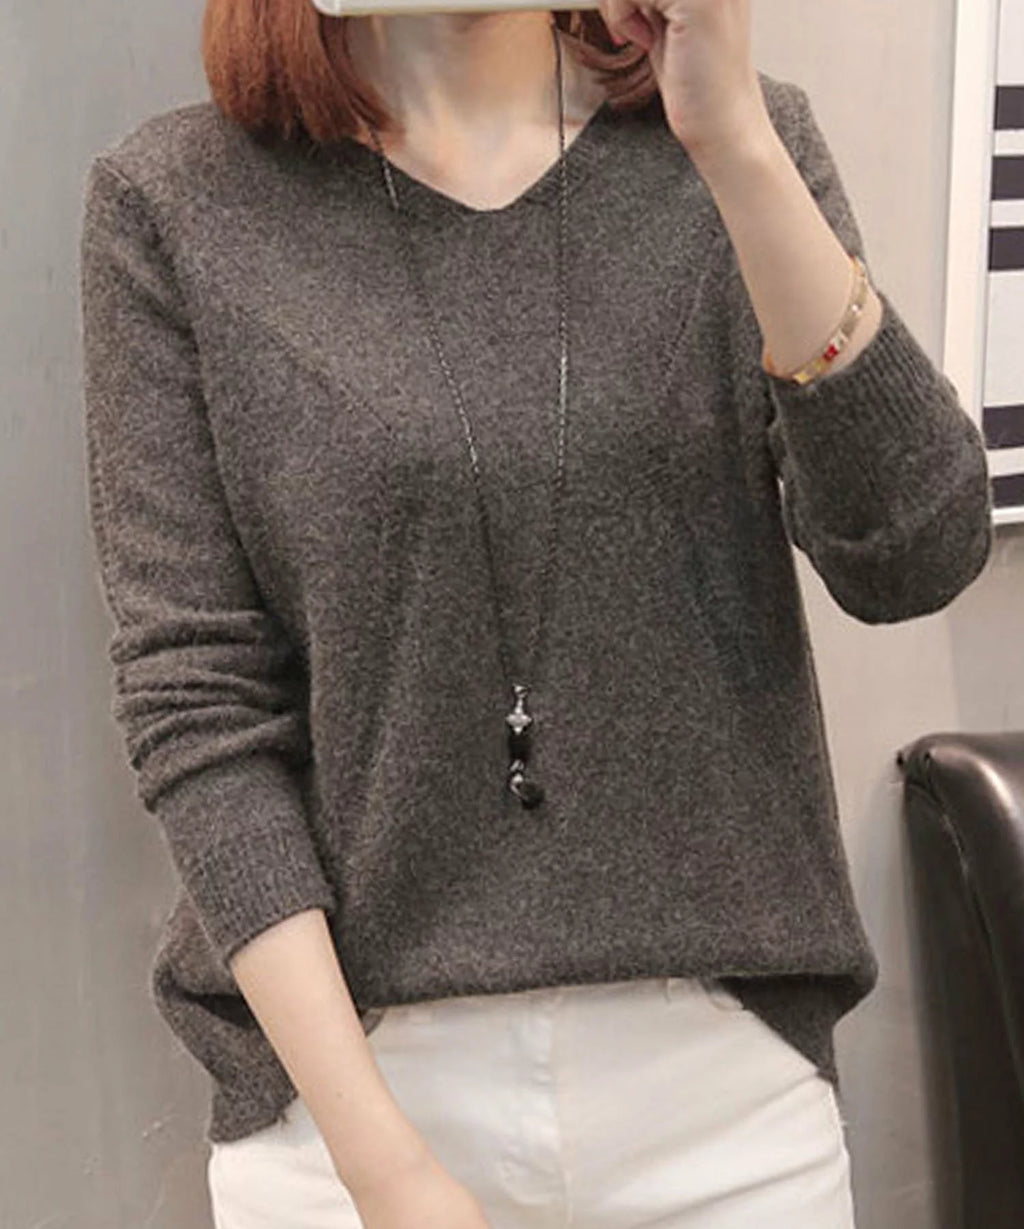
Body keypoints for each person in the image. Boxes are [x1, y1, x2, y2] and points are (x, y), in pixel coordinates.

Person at [77, 0, 993, 1226]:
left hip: (720, 1101)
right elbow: (199, 708)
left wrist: (733, 142)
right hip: (351, 1105)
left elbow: (916, 553)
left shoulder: (732, 143)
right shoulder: (176, 204)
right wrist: (382, 1166)